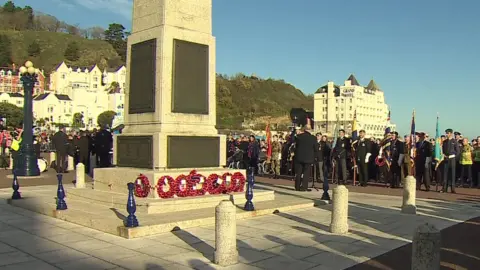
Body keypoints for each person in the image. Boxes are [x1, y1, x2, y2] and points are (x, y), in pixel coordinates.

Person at [293, 126, 318, 191]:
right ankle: (304, 187)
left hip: (299, 157)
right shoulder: (313, 138)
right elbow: (316, 148)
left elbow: (296, 147)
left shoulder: (298, 137)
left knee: (298, 172)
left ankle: (297, 186)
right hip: (309, 158)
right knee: (306, 173)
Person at [442, 128, 459, 193]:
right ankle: (444, 188)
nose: (446, 134)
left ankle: (453, 188)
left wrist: (452, 156)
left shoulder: (454, 141)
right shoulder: (445, 141)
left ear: (451, 133)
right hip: (446, 159)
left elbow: (457, 152)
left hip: (452, 159)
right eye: (446, 133)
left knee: (452, 174)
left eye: (448, 133)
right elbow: (443, 150)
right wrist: (443, 155)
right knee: (445, 174)